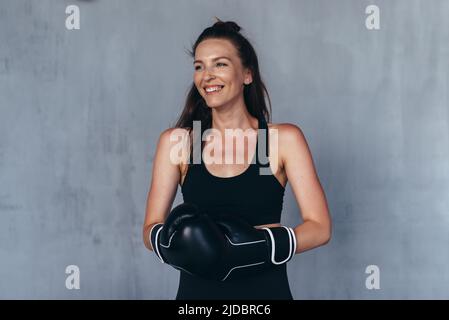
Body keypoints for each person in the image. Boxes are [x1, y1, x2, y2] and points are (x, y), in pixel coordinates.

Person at [143, 18, 332, 300]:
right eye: (199, 66)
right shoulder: (182, 143)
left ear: (247, 74)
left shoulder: (279, 141)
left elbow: (319, 228)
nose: (206, 75)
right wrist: (167, 241)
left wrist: (253, 247)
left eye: (220, 64)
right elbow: (149, 228)